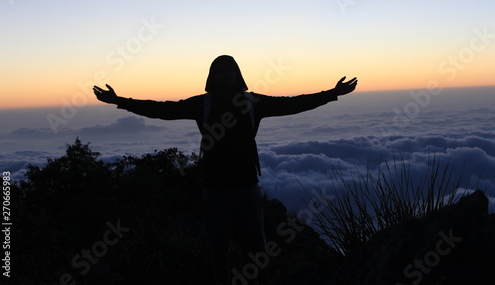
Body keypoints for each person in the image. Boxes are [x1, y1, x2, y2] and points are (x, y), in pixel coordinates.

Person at [93, 55, 357, 284]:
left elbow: (293, 104)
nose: (226, 74)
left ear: (238, 74)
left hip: (247, 185)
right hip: (215, 187)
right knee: (219, 248)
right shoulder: (202, 104)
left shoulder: (254, 102)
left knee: (255, 246)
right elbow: (163, 110)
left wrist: (332, 93)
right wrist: (121, 101)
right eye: (221, 70)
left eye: (230, 69)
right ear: (213, 75)